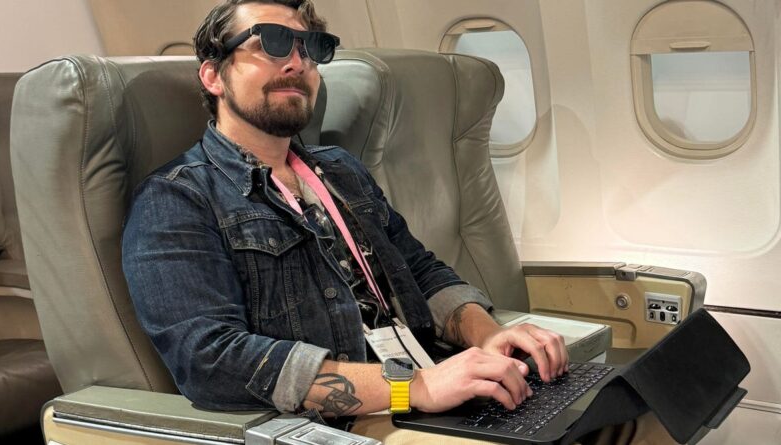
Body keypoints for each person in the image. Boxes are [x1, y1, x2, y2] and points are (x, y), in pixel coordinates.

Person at [122, 1, 674, 443]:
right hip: (342, 419)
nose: (296, 63)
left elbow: (419, 269)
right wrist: (414, 388)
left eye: (310, 49)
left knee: (644, 409)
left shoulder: (338, 170)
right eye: (270, 44)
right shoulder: (176, 201)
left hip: (433, 379)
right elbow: (211, 361)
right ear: (213, 75)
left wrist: (491, 338)